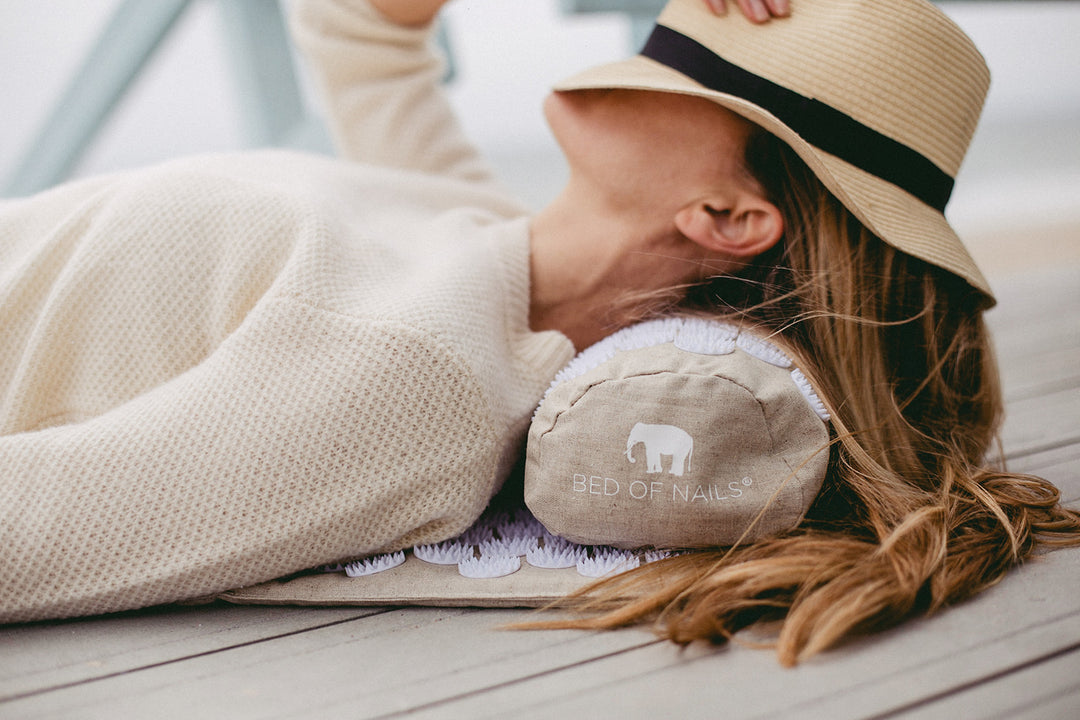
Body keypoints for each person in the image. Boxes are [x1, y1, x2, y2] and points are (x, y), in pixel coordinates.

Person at [0, 0, 1075, 667]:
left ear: (729, 218)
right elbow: (365, 35)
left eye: (703, 59)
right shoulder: (481, 244)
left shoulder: (425, 376)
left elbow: (31, 532)